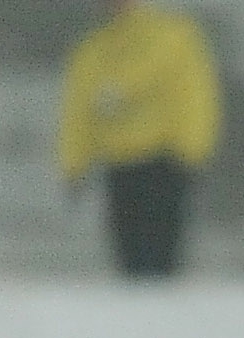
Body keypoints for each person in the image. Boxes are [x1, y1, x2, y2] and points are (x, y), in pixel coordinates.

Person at [57, 0, 222, 279]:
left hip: (165, 163)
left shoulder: (174, 38)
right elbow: (79, 111)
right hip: (120, 165)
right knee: (130, 259)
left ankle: (156, 304)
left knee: (159, 258)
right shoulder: (94, 49)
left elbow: (195, 97)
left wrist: (192, 149)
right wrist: (74, 164)